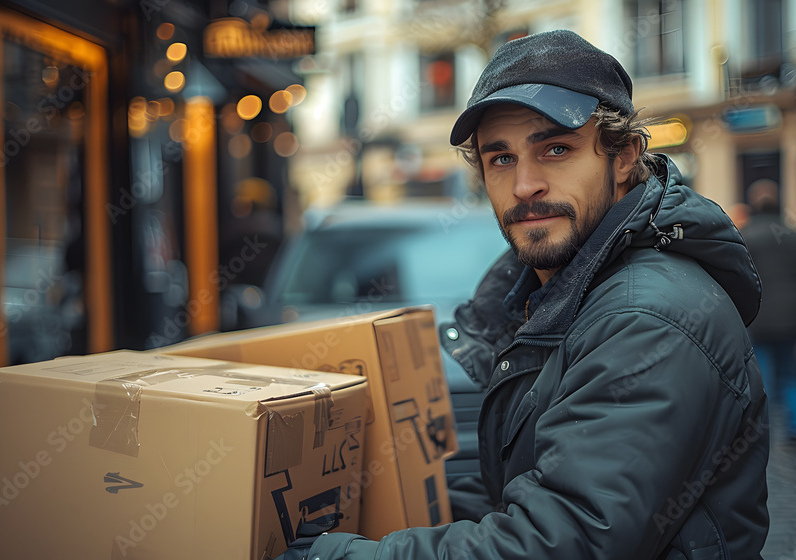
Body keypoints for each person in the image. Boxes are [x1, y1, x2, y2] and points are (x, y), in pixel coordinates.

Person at [278, 29, 769, 560]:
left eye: (556, 148)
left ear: (624, 157)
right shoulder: (553, 293)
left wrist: (333, 556)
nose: (524, 185)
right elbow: (510, 496)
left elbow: (565, 540)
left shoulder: (648, 319)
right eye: (501, 158)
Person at [740, 179, 796, 443]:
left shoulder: (746, 236)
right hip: (791, 319)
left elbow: (736, 279)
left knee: (762, 376)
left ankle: (763, 430)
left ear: (753, 204)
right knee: (791, 373)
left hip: (758, 318)